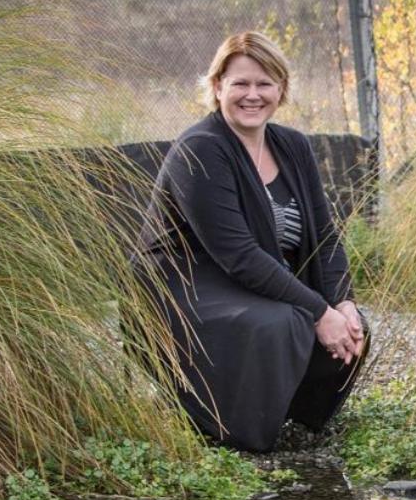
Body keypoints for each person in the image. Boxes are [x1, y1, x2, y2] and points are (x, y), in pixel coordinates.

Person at [133, 31, 367, 451]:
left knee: (351, 324)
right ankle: (234, 433)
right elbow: (238, 255)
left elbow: (325, 236)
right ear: (218, 86)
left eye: (265, 83)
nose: (252, 95)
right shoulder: (201, 150)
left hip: (244, 282)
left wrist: (341, 302)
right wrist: (317, 310)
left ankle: (295, 422)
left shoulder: (292, 146)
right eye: (240, 83)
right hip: (183, 288)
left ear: (282, 89)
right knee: (282, 323)